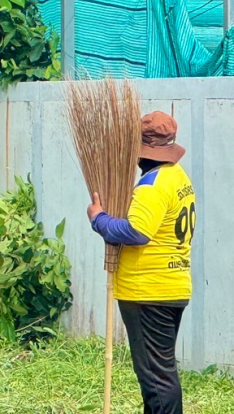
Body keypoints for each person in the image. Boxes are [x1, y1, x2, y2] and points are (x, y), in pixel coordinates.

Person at [88, 111, 196, 414]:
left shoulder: (152, 185)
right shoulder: (178, 177)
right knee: (159, 375)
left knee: (157, 382)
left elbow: (137, 232)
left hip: (148, 292)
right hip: (172, 287)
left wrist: (100, 219)